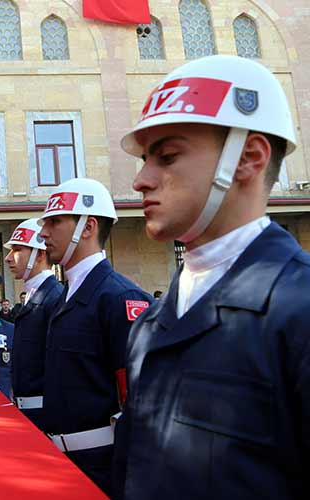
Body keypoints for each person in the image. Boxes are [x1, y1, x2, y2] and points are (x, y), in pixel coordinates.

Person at [116, 55, 309, 500]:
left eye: (167, 156)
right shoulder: (151, 322)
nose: (141, 180)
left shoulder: (298, 310)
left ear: (249, 157)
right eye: (146, 159)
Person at [37, 177, 152, 495]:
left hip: (105, 467)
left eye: (54, 221)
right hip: (64, 461)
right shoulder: (67, 296)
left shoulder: (120, 298)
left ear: (86, 228)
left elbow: (140, 405)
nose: (44, 232)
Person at [3, 218, 63, 429]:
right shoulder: (35, 295)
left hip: (45, 414)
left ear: (39, 254)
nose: (8, 258)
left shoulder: (54, 297)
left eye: (17, 249)